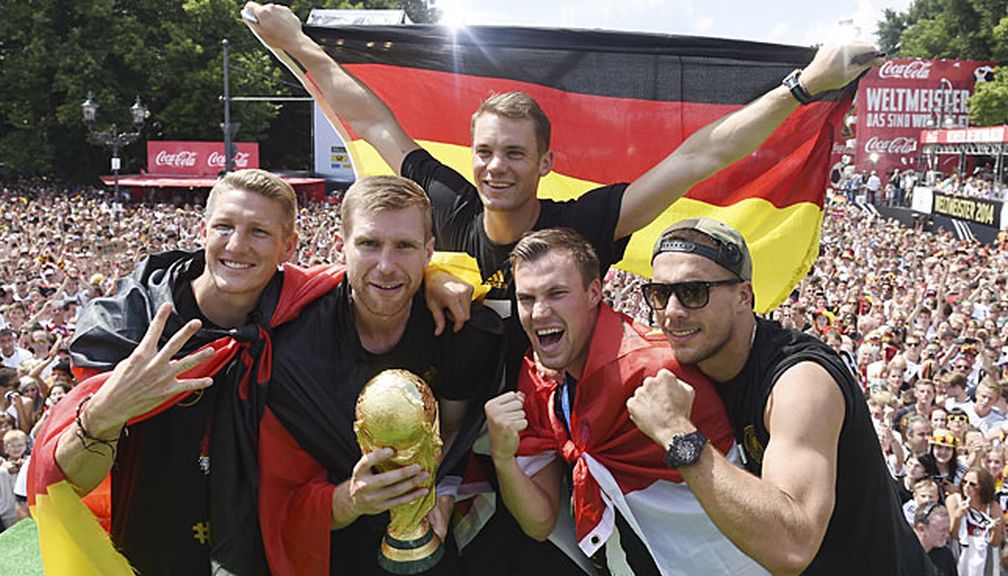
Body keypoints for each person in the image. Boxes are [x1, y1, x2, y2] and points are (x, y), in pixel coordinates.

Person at [244, 1, 879, 316]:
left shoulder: (581, 227)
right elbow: (376, 119)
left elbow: (697, 156)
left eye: (515, 154)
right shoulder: (446, 199)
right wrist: (297, 43)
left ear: (546, 163)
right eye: (485, 151)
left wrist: (803, 87)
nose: (496, 167)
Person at [29, 169, 349, 575]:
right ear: (202, 231)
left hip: (261, 552)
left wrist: (443, 281)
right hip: (145, 553)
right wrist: (105, 413)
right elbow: (68, 483)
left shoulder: (307, 313)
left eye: (259, 232)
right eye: (224, 227)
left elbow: (386, 278)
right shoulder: (131, 322)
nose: (237, 244)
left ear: (289, 247)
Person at [626, 217, 931, 574]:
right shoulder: (688, 362)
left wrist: (675, 432)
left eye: (694, 292)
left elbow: (793, 544)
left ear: (744, 296)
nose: (673, 311)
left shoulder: (801, 381)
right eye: (660, 294)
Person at [484, 228, 764, 574]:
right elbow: (539, 523)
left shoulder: (660, 371)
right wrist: (503, 458)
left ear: (594, 293)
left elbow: (748, 487)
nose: (539, 312)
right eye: (527, 299)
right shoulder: (538, 381)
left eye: (557, 294)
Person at [262, 175, 503, 574]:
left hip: (432, 541)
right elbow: (279, 499)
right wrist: (350, 500)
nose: (387, 266)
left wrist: (440, 492)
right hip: (333, 551)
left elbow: (455, 429)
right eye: (370, 244)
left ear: (429, 252)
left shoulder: (464, 331)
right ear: (342, 246)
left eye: (404, 246)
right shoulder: (291, 344)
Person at [947, 467, 1004, 576]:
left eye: (973, 484)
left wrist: (995, 529)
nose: (967, 486)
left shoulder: (992, 507)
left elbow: (995, 543)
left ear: (983, 487)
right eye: (964, 482)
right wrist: (958, 515)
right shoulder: (954, 500)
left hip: (984, 559)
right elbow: (953, 535)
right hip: (961, 555)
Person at [913, 502, 958, 576]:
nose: (947, 535)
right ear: (921, 529)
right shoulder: (901, 556)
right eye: (942, 530)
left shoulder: (945, 556)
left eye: (947, 529)